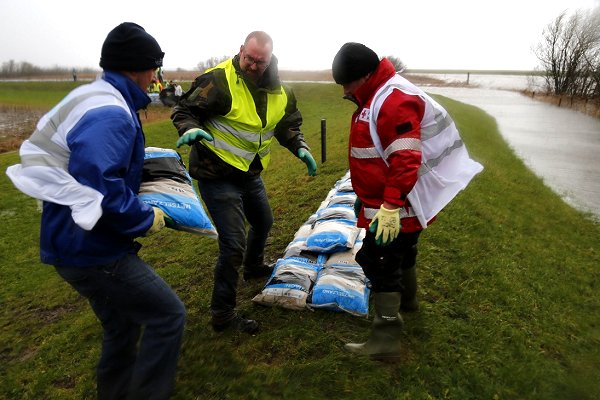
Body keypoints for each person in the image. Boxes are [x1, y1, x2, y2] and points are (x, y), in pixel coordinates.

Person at [6, 22, 186, 398]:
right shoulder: (112, 113)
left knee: (120, 326)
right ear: (136, 69)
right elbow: (99, 187)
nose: (155, 77)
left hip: (69, 241)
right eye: (153, 68)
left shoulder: (98, 96)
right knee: (168, 315)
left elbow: (89, 164)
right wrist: (144, 217)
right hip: (91, 249)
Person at [331, 43, 482, 360]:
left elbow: (405, 159)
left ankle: (385, 341)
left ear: (366, 75)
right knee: (402, 252)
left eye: (348, 84)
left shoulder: (392, 100)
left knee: (378, 261)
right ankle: (409, 303)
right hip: (402, 202)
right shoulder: (380, 93)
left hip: (401, 205)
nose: (345, 91)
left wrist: (389, 207)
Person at [171, 31, 317, 334]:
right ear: (241, 51)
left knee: (263, 221)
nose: (252, 65)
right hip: (217, 174)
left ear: (270, 60)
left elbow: (288, 123)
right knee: (233, 242)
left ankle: (253, 267)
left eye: (259, 61)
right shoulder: (218, 81)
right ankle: (222, 314)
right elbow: (184, 109)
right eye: (248, 58)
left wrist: (299, 146)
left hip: (249, 173)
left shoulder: (281, 90)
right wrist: (189, 127)